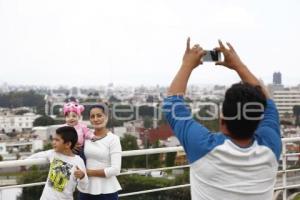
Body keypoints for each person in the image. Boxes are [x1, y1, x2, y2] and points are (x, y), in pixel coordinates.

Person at [163, 38, 282, 200]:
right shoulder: (271, 145)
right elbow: (267, 103)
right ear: (258, 122)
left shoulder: (202, 146)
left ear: (222, 121)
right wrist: (239, 66)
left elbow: (172, 103)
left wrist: (187, 65)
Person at [27, 126, 88, 200]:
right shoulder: (53, 154)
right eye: (53, 139)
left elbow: (83, 187)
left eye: (57, 140)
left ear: (68, 144)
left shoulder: (78, 161)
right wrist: (24, 162)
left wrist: (82, 176)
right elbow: (37, 155)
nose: (53, 142)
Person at [79, 104, 122, 200]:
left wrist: (88, 172)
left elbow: (115, 169)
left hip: (107, 191)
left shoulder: (113, 139)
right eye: (92, 116)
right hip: (85, 189)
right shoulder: (85, 136)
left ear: (106, 117)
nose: (96, 119)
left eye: (99, 115)